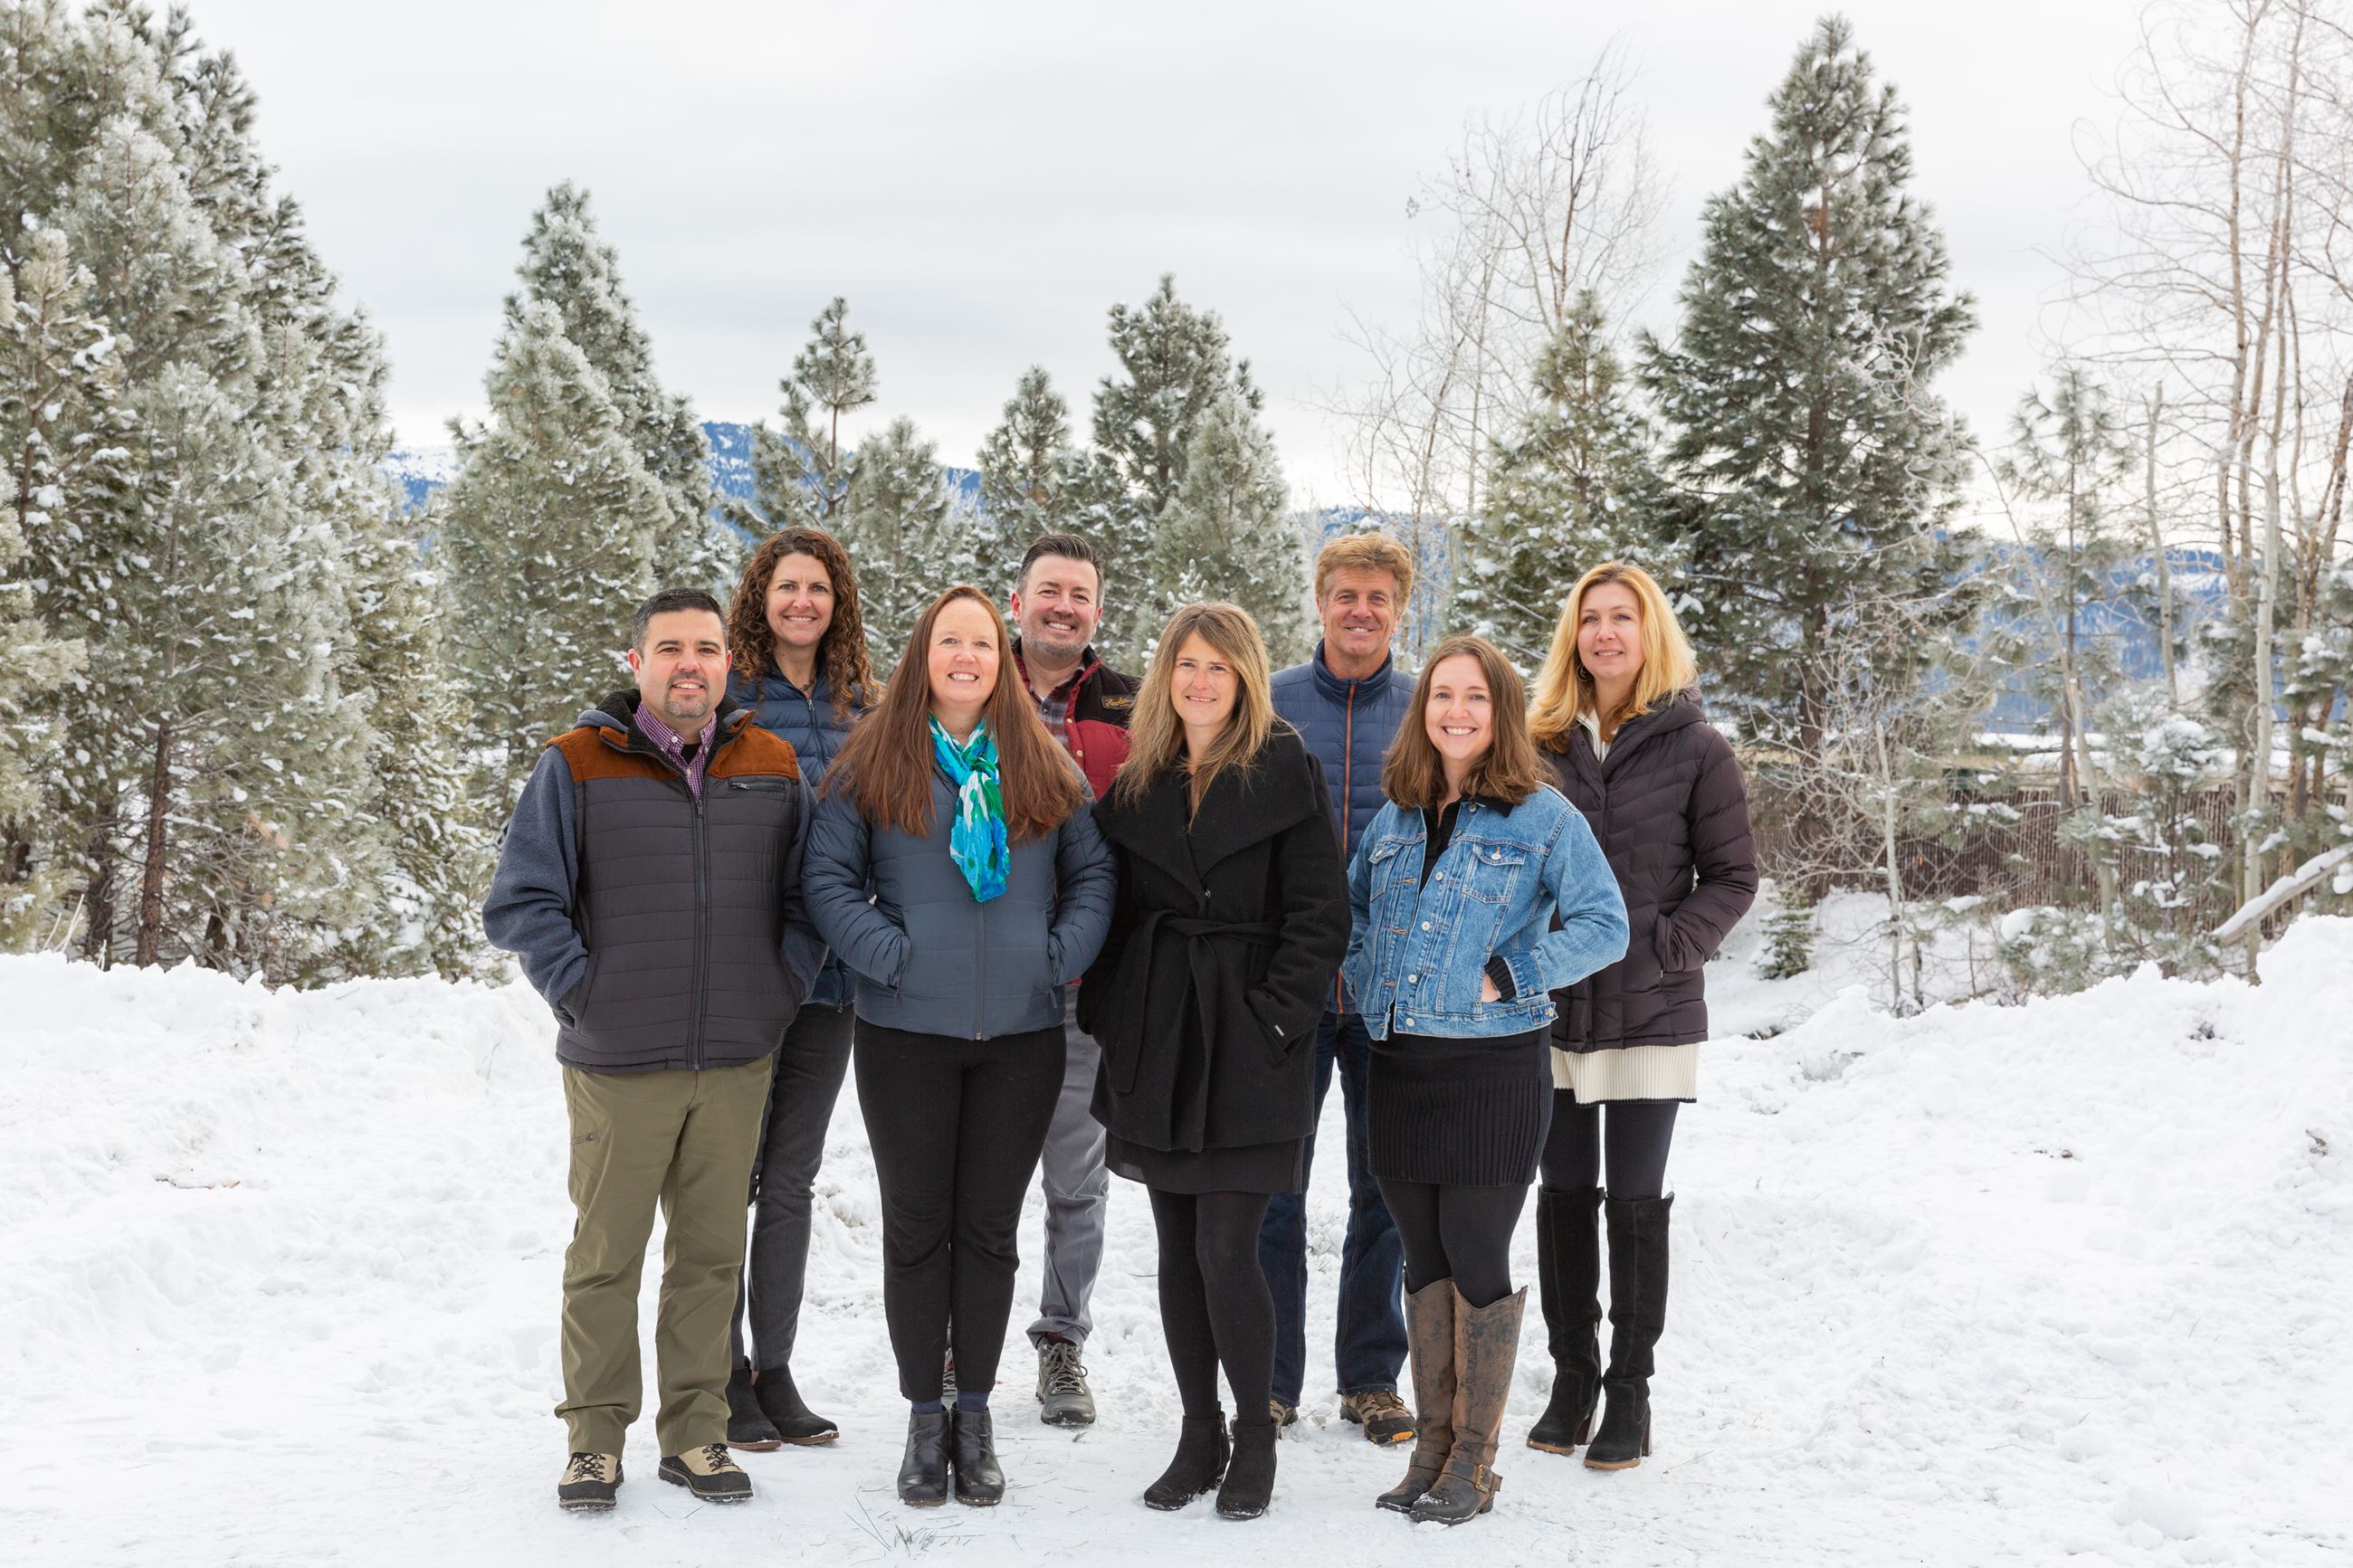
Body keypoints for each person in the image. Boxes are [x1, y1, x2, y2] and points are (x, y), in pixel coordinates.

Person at [483, 587, 826, 1512]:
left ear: (726, 663)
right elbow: (521, 902)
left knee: (712, 1254)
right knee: (607, 1254)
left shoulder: (771, 760)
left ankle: (697, 1434)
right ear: (636, 661)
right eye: (669, 647)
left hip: (734, 1055)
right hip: (618, 1059)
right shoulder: (576, 762)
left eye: (706, 648)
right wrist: (583, 991)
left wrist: (779, 988)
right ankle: (594, 1440)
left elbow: (808, 898)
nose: (690, 663)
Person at [802, 585, 1116, 1508]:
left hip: (1021, 1035)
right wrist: (886, 954)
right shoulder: (876, 759)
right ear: (924, 653)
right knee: (914, 1232)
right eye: (949, 640)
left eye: (980, 640)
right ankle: (920, 1417)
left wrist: (1055, 955)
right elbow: (826, 877)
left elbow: (1092, 873)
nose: (966, 656)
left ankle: (971, 1412)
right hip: (905, 1035)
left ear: (1000, 653)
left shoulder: (1044, 764)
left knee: (987, 1232)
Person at [1343, 633, 1627, 1525]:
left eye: (1473, 697)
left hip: (1491, 1070)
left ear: (1497, 713)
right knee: (1419, 1258)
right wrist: (1361, 979)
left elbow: (1605, 923)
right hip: (1397, 1065)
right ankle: (1429, 1445)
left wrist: (1511, 972)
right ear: (1420, 710)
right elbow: (1354, 914)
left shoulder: (1542, 817)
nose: (1455, 711)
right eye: (1440, 696)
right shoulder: (1391, 820)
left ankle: (1474, 1458)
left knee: (1473, 1256)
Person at [1080, 603, 1349, 1520]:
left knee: (1227, 1245)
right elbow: (1110, 912)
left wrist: (1276, 1018)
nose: (1200, 680)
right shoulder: (1138, 779)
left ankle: (1255, 1434)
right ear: (1166, 675)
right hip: (1159, 1034)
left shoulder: (1286, 770)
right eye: (1185, 664)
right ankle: (1199, 1432)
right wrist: (1116, 1011)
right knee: (1173, 1247)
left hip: (1248, 1036)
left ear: (1243, 679)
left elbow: (1319, 915)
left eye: (1218, 667)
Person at [1525, 563, 1756, 1471]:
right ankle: (1570, 1376)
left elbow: (1731, 878)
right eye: (1590, 618)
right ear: (1572, 635)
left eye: (1622, 616)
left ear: (1647, 630)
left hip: (1652, 1007)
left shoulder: (1697, 747)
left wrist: (1666, 947)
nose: (1605, 633)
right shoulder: (1539, 741)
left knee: (1633, 1198)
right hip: (1556, 1007)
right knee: (1562, 1195)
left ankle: (1629, 1387)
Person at [719, 526, 882, 1449]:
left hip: (834, 976)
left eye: (818, 588)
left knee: (789, 1178)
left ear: (837, 601)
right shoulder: (731, 695)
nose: (802, 602)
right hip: (747, 971)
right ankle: (722, 1365)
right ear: (761, 594)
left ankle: (773, 1367)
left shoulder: (864, 700)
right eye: (787, 586)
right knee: (726, 1179)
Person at [1258, 532, 1419, 1442]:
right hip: (1290, 989)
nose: (1360, 611)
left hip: (1390, 995)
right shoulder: (1273, 703)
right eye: (1344, 594)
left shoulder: (1424, 706)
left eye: (1377, 598)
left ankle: (1369, 1377)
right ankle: (1272, 1379)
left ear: (1400, 609)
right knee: (1275, 1190)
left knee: (1384, 1190)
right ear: (1318, 600)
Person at [1005, 531, 1138, 1427]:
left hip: (1086, 985)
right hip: (978, 985)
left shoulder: (1131, 704)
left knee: (1075, 1179)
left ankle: (1061, 1342)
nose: (1062, 605)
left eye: (1078, 593)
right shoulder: (968, 679)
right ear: (1016, 602)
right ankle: (952, 1342)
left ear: (1095, 609)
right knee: (972, 1178)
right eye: (1046, 589)